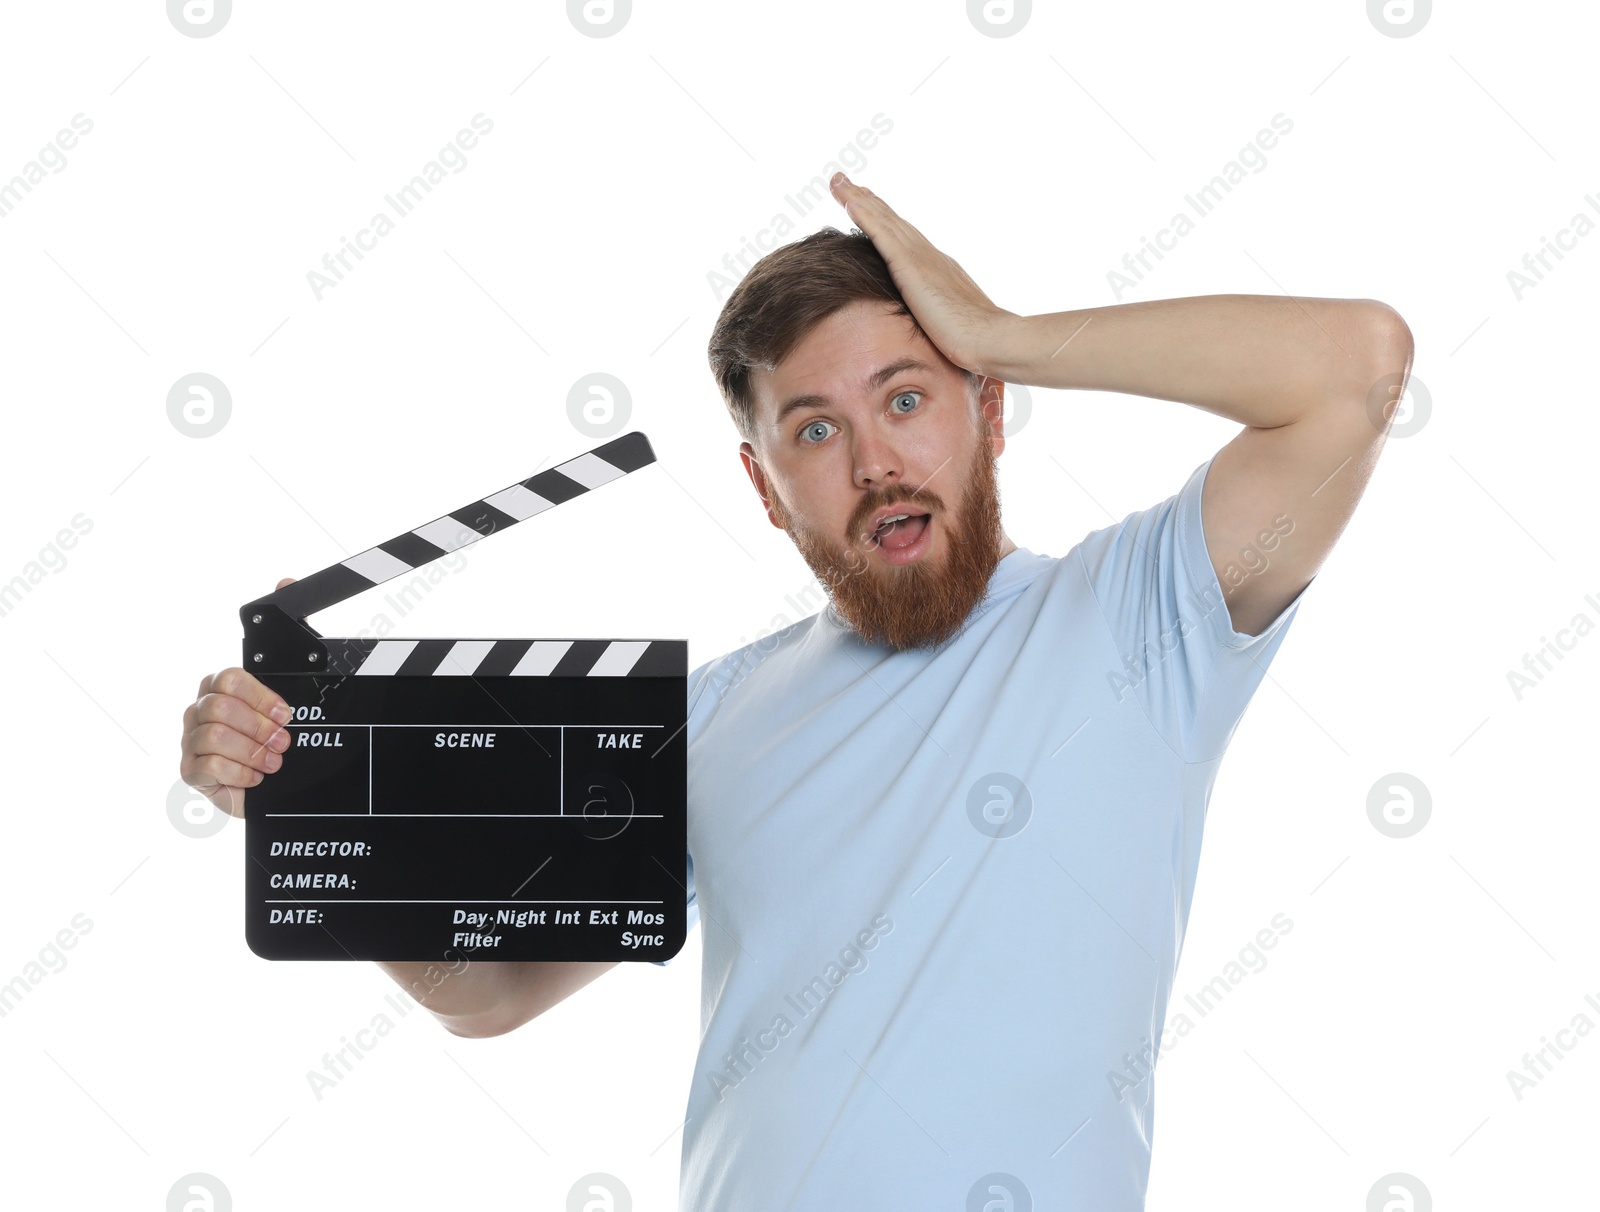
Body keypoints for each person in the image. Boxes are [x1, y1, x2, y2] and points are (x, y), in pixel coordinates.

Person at [179, 172, 1413, 1209]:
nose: (876, 464)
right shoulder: (710, 716)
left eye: (909, 398)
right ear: (766, 489)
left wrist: (1004, 330)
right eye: (815, 432)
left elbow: (1354, 368)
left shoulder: (1148, 615)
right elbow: (489, 994)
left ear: (987, 413)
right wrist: (307, 803)